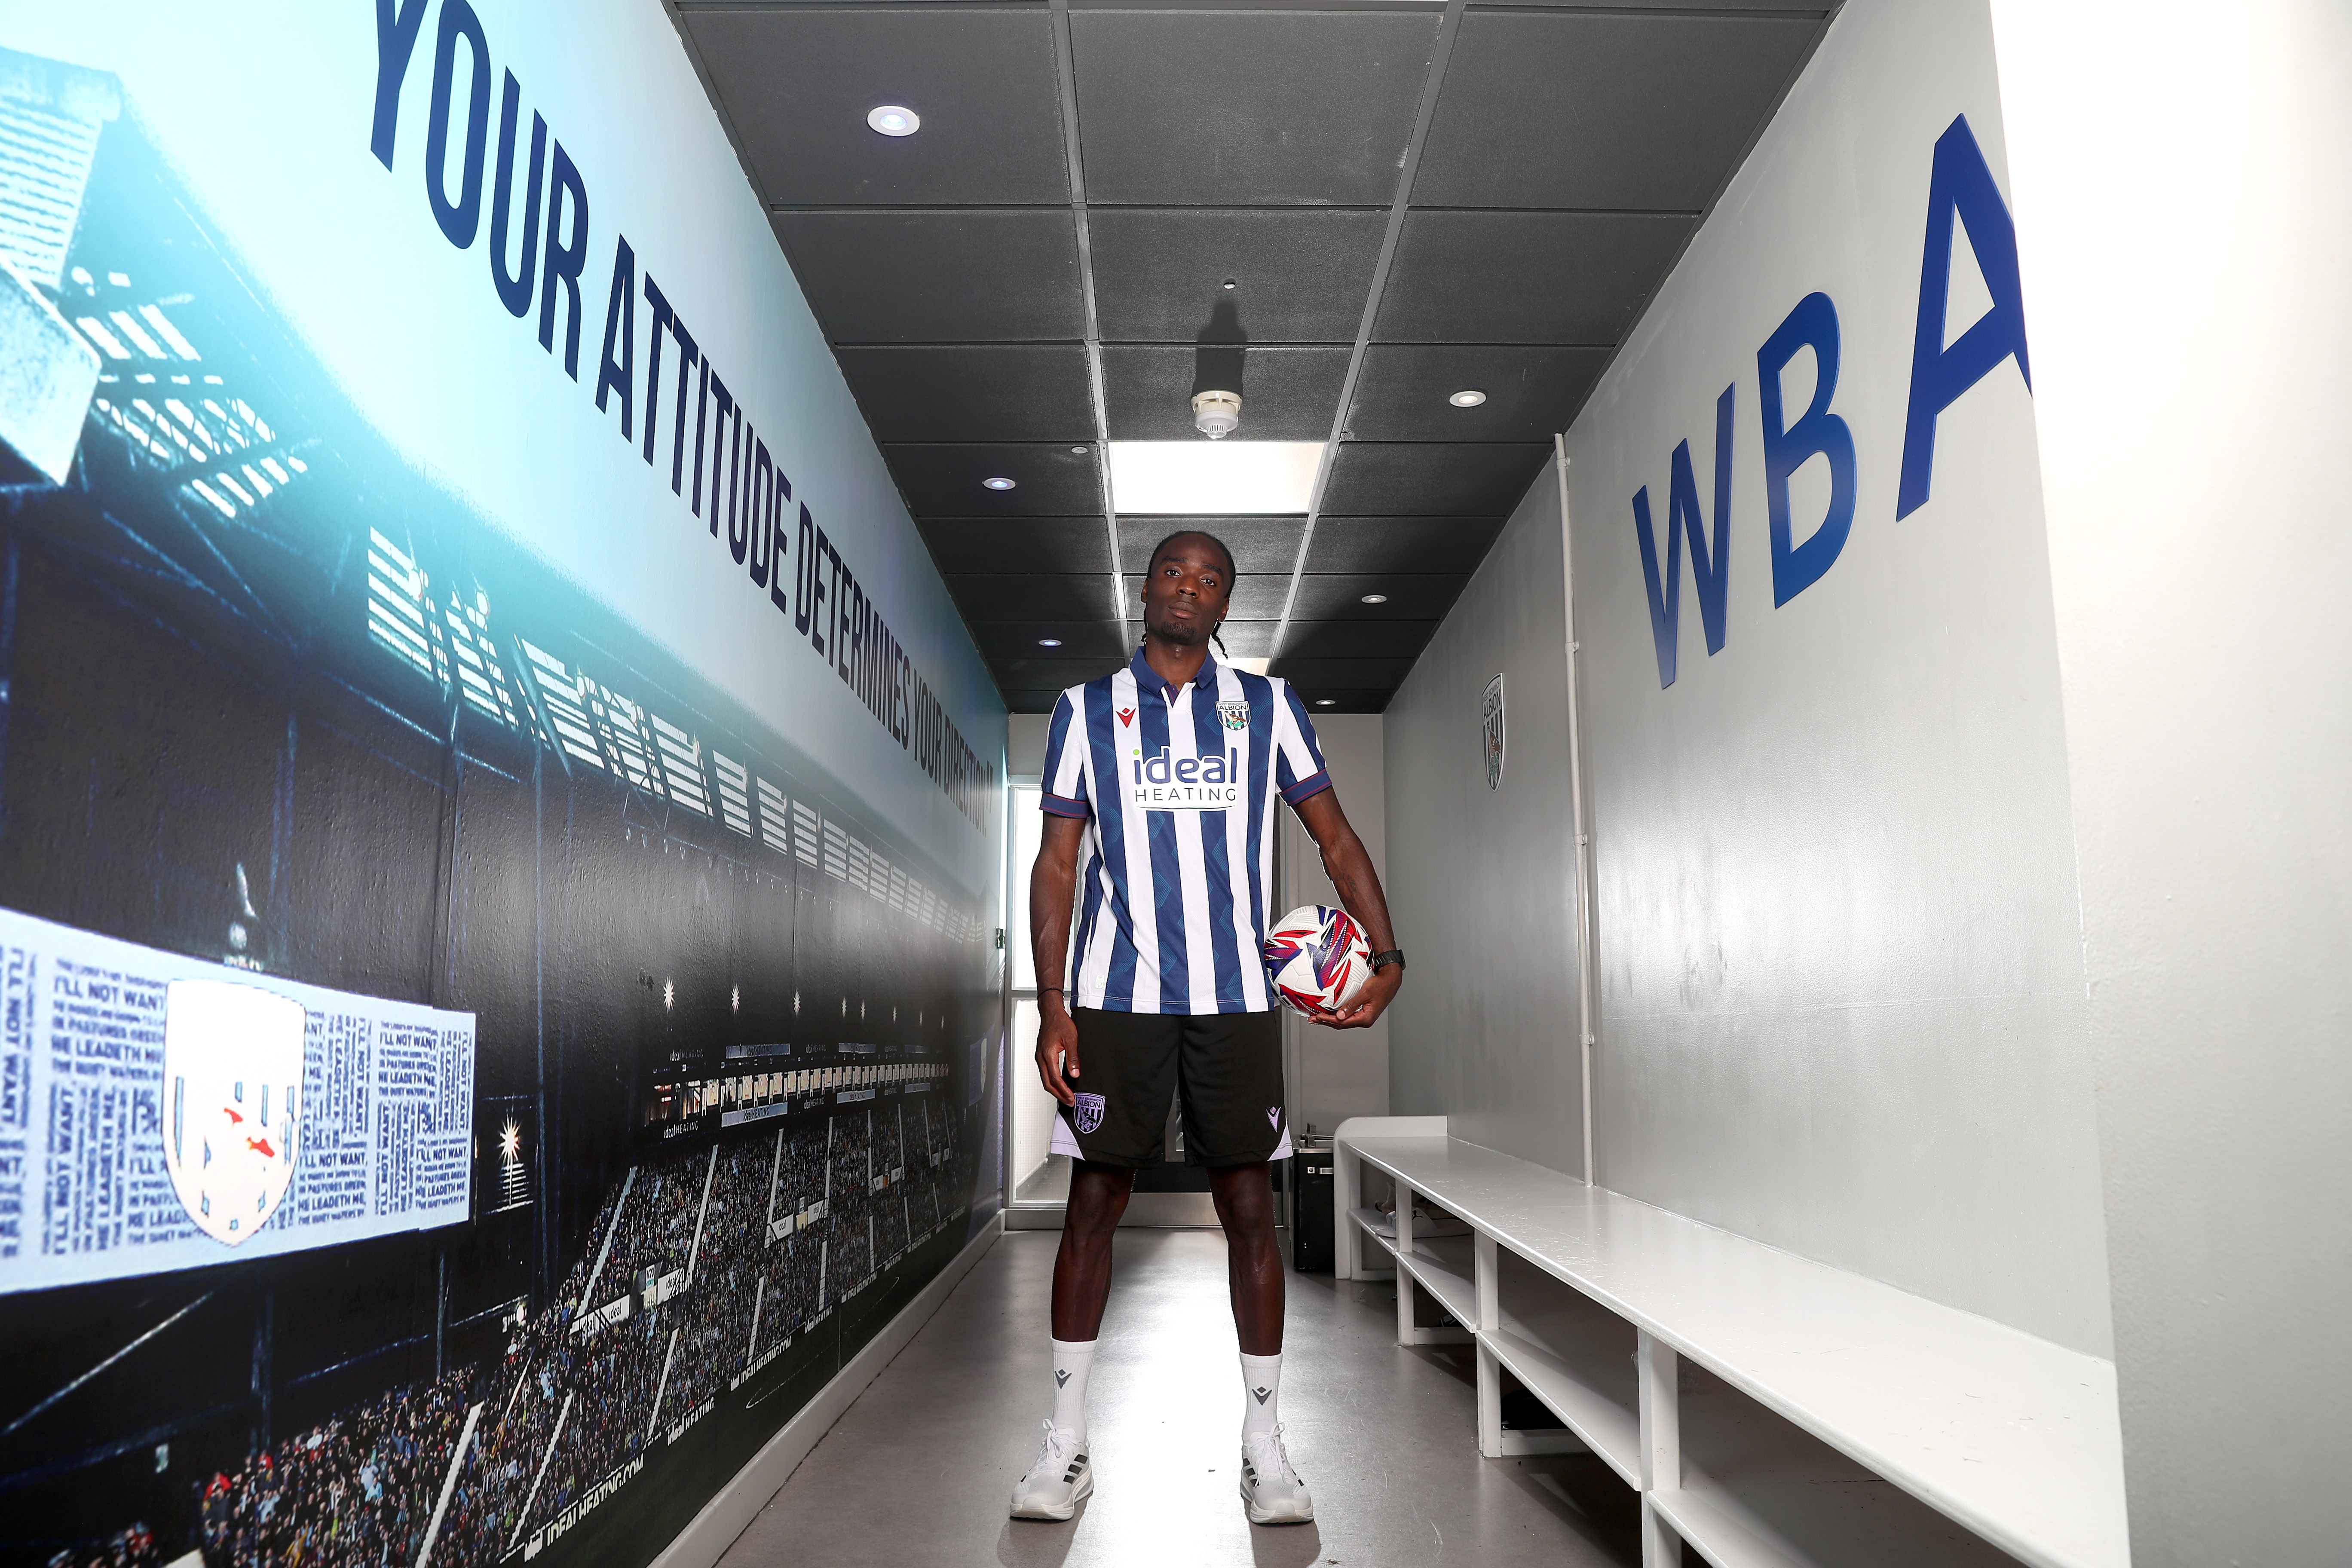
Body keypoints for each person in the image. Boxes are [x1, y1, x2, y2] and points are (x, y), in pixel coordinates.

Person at [1008, 530, 1405, 1526]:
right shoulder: (1085, 710)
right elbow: (1057, 864)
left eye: (1211, 580)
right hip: (1114, 997)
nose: (1189, 588)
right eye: (1174, 573)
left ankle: (1265, 1447)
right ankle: (1065, 1446)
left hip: (1235, 1002)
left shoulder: (1265, 708)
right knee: (1094, 1199)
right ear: (1145, 591)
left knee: (1248, 1207)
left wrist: (1389, 953)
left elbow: (1335, 833)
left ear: (1228, 607)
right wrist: (1052, 1001)